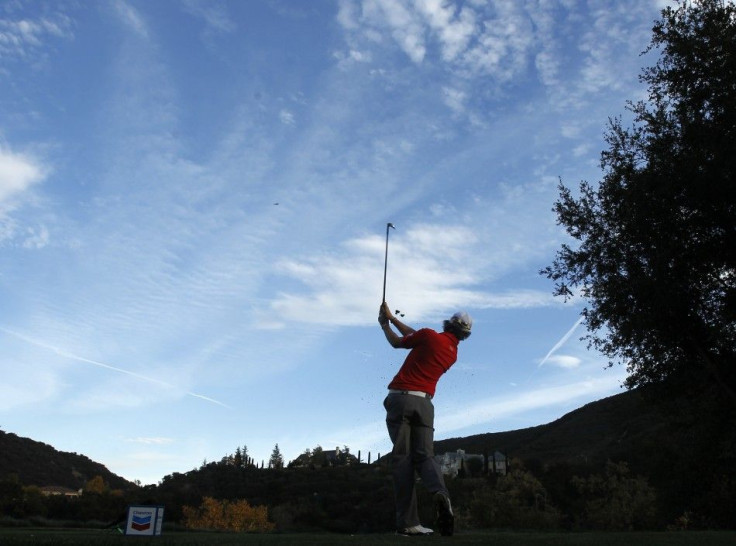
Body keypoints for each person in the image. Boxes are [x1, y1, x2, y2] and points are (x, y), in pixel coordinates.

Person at [378, 302, 472, 536]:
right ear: (465, 334)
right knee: (425, 456)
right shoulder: (452, 354)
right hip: (425, 404)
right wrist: (393, 318)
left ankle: (408, 523)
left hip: (401, 399)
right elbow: (416, 336)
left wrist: (384, 325)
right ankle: (440, 493)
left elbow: (398, 342)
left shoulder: (429, 335)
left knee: (402, 460)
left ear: (449, 323)